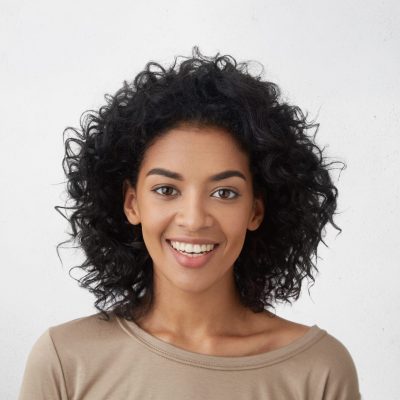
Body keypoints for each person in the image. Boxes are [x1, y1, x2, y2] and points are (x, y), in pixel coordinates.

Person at [18, 46, 361, 399]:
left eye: (224, 193)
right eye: (167, 189)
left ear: (256, 211)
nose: (194, 219)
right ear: (132, 203)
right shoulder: (65, 361)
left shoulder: (318, 370)